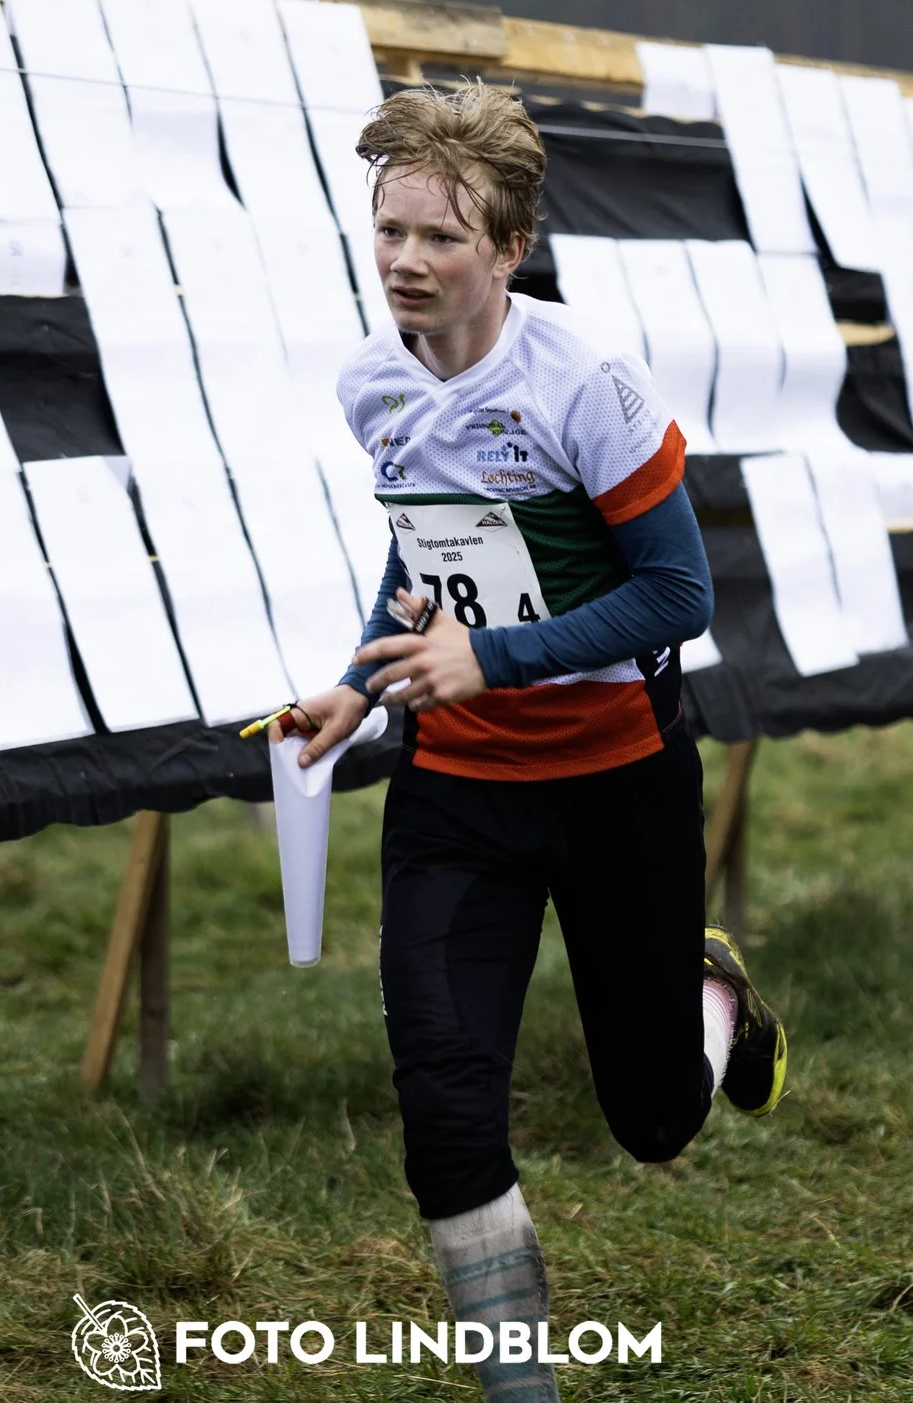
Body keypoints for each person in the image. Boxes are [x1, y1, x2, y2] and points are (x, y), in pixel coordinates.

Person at [269, 83, 788, 1402]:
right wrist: (355, 686)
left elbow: (680, 598)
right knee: (442, 1102)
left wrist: (489, 655)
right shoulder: (368, 385)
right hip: (455, 791)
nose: (403, 260)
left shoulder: (590, 389)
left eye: (441, 237)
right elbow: (426, 558)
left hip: (616, 779)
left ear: (509, 250)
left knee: (654, 1115)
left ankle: (708, 996)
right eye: (388, 229)